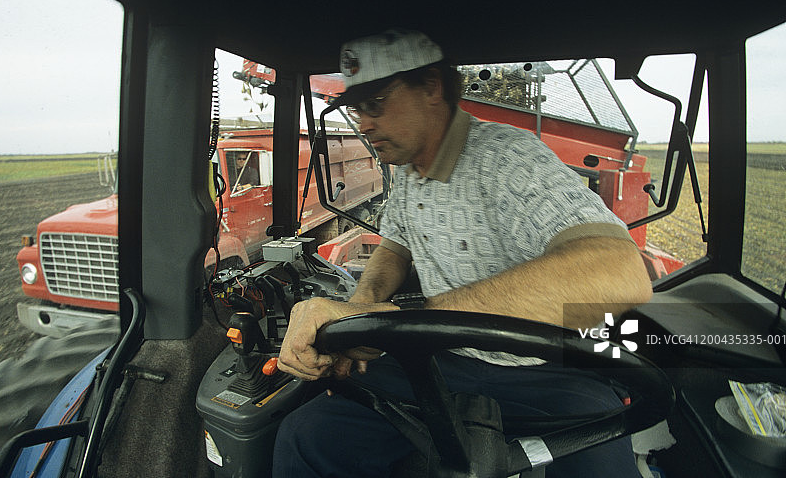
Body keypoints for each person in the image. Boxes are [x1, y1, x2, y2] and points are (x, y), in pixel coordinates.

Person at [273, 29, 652, 477]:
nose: (363, 124)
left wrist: (404, 320)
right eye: (356, 109)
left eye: (375, 103)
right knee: (305, 437)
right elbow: (396, 246)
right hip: (438, 362)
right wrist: (357, 314)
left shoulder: (510, 159)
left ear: (431, 87)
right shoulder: (409, 167)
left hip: (545, 368)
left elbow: (619, 273)